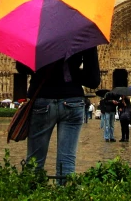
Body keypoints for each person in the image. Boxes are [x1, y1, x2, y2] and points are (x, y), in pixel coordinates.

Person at [18, 47, 100, 178]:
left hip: (42, 99)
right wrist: (70, 72)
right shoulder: (84, 31)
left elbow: (22, 68)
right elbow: (93, 80)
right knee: (67, 164)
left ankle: (32, 195)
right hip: (72, 101)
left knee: (34, 164)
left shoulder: (37, 30)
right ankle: (64, 194)